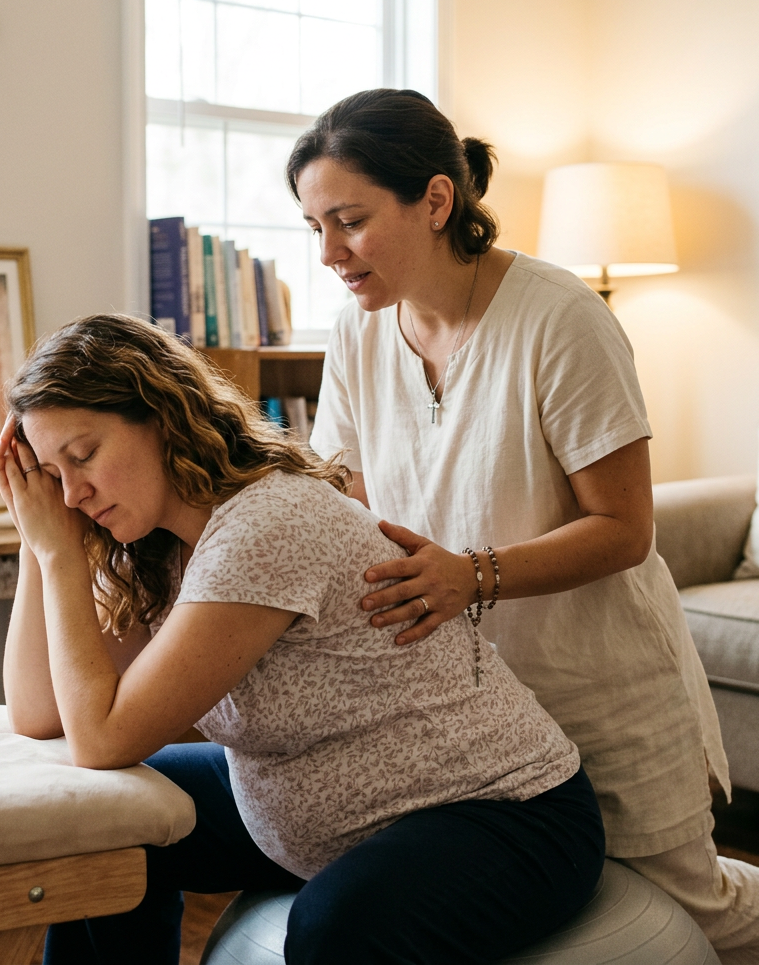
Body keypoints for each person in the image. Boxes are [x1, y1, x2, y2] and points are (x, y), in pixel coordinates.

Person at [288, 87, 759, 963]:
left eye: (348, 221)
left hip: (598, 684)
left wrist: (470, 574)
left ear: (436, 200)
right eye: (314, 227)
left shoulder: (560, 316)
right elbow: (340, 500)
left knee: (694, 911)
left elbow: (625, 528)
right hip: (467, 714)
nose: (329, 253)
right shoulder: (355, 335)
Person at [0, 313, 605, 965]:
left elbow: (102, 736)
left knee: (335, 926)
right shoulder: (157, 543)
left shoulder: (264, 525)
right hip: (323, 807)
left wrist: (61, 558)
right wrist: (41, 542)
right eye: (53, 475)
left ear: (161, 416)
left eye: (84, 456)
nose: (73, 492)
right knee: (96, 821)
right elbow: (41, 715)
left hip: (505, 815)